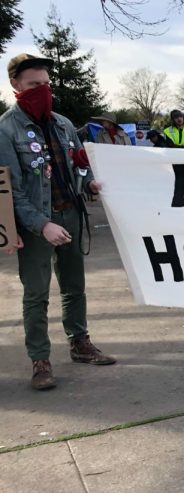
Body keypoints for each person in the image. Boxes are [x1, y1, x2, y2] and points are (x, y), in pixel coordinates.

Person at [0, 53, 116, 391]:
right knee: (36, 294)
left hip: (70, 214)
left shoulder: (63, 124)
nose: (43, 91)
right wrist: (40, 225)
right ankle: (40, 360)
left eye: (46, 84)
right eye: (35, 85)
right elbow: (12, 192)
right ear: (16, 86)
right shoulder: (7, 130)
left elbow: (79, 165)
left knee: (74, 286)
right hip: (37, 225)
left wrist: (89, 182)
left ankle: (80, 343)